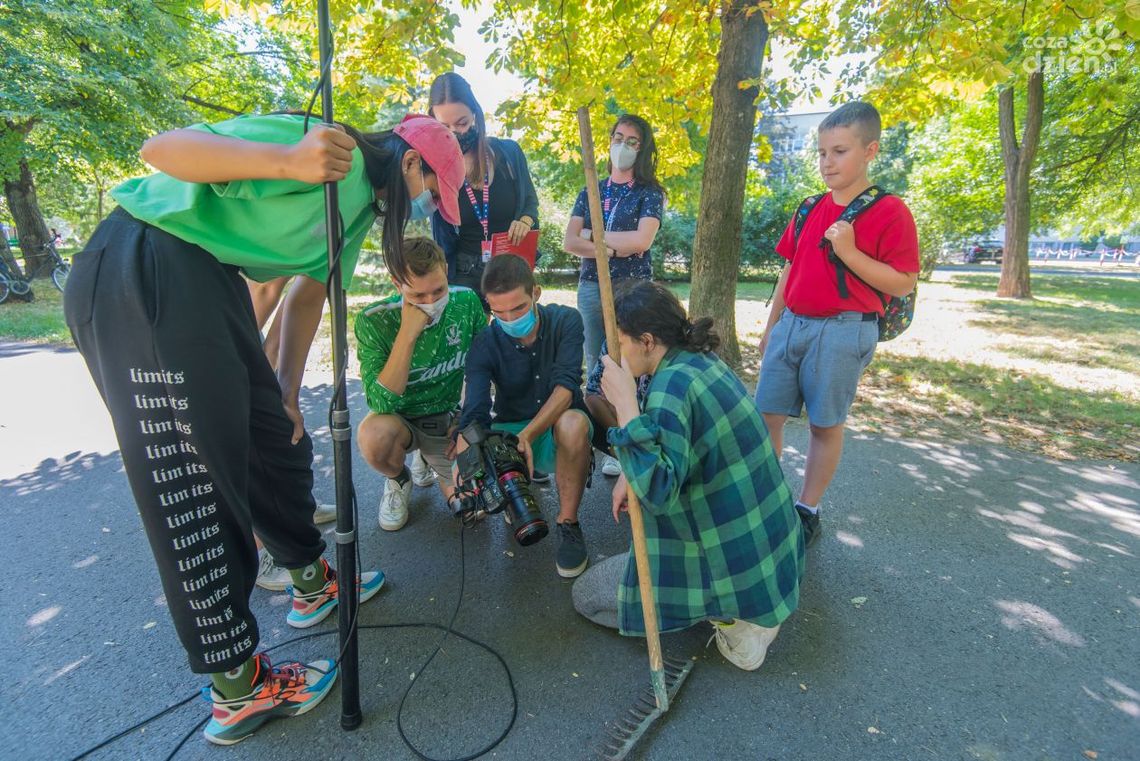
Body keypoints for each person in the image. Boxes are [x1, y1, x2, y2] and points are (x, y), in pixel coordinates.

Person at [63, 111, 464, 746]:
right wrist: (290, 162)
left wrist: (284, 390)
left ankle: (311, 582)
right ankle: (238, 687)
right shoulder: (331, 149)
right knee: (199, 483)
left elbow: (307, 294)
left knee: (276, 442)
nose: (423, 207)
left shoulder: (360, 210)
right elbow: (162, 146)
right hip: (144, 268)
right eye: (429, 190)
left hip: (205, 282)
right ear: (412, 162)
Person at [572, 280, 804, 671]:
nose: (617, 356)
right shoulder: (698, 359)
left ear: (646, 341)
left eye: (622, 344)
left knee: (587, 595)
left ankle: (735, 620)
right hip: (765, 546)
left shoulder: (669, 389)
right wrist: (630, 472)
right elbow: (676, 447)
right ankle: (742, 607)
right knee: (619, 574)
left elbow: (658, 493)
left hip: (724, 553)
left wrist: (626, 405)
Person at [754, 101, 919, 547]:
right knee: (765, 414)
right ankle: (768, 502)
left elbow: (903, 282)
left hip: (845, 329)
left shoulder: (889, 211)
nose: (828, 162)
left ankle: (807, 508)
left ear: (870, 150)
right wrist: (772, 326)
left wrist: (849, 252)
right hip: (792, 324)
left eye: (840, 151)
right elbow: (789, 270)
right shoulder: (809, 207)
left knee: (824, 425)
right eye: (823, 152)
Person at [458, 254, 593, 577]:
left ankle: (568, 523)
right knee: (474, 445)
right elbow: (475, 408)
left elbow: (566, 387)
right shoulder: (484, 341)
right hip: (510, 431)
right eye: (498, 311)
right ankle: (512, 489)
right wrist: (467, 452)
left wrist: (528, 436)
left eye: (517, 308)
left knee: (573, 423)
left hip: (554, 426)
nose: (508, 318)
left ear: (536, 292)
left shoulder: (567, 321)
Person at [355, 237, 487, 530]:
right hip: (400, 418)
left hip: (447, 417)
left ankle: (429, 458)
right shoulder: (373, 320)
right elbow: (381, 402)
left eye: (438, 290)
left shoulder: (466, 301)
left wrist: (466, 419)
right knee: (372, 435)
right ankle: (398, 479)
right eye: (418, 296)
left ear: (446, 269)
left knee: (473, 507)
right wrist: (407, 334)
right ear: (396, 284)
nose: (430, 303)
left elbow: (481, 369)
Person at [563, 114, 665, 374]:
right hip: (591, 284)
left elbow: (643, 240)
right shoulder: (590, 191)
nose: (623, 146)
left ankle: (629, 410)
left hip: (632, 287)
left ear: (642, 149)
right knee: (596, 358)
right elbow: (570, 241)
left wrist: (591, 235)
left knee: (631, 359)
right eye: (618, 138)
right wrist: (613, 249)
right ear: (610, 141)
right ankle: (599, 410)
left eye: (632, 142)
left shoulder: (649, 192)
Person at [429, 72, 539, 303]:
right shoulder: (435, 169)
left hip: (510, 267)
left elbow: (529, 201)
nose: (455, 132)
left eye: (462, 123)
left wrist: (524, 221)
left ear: (476, 116)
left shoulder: (508, 153)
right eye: (444, 126)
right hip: (463, 274)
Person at [583, 337, 650, 477]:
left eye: (621, 343)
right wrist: (624, 445)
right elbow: (592, 395)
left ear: (647, 341)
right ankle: (621, 453)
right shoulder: (613, 342)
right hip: (633, 430)